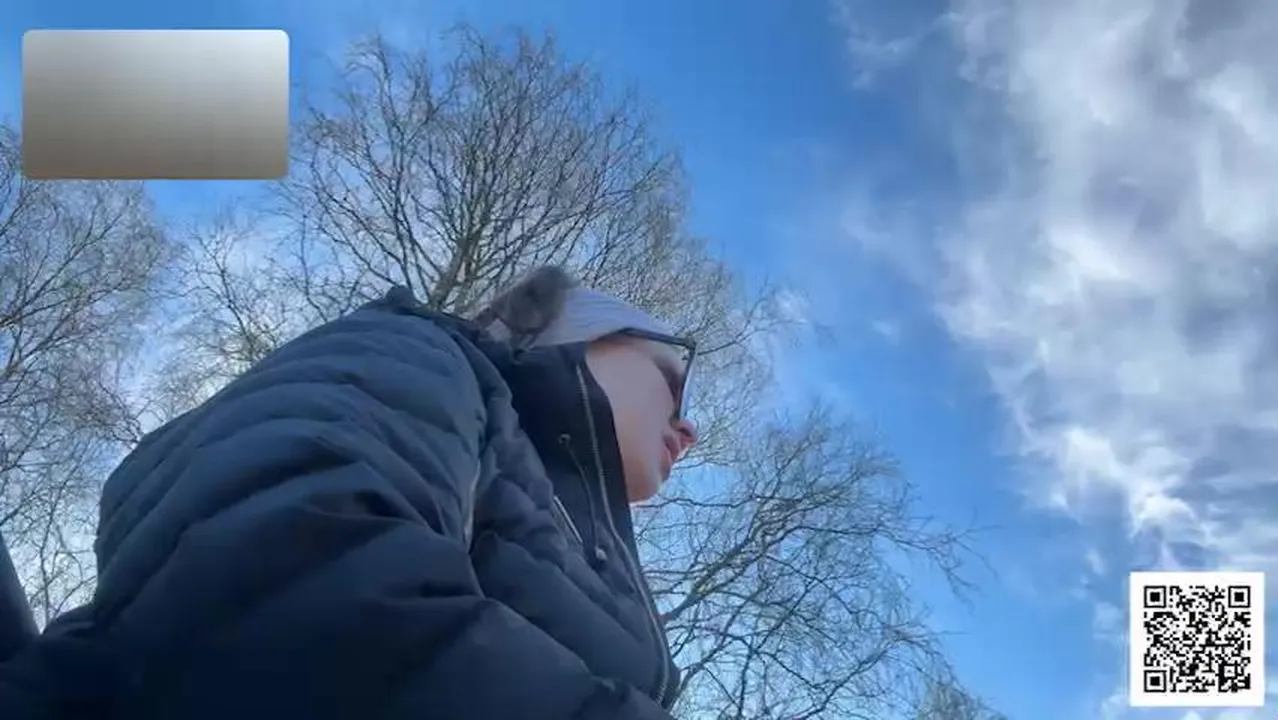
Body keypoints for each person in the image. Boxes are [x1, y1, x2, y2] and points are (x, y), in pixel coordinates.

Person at [0, 265, 699, 719]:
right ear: (579, 337)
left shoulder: (549, 516)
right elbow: (280, 579)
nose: (688, 428)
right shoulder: (425, 354)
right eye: (673, 381)